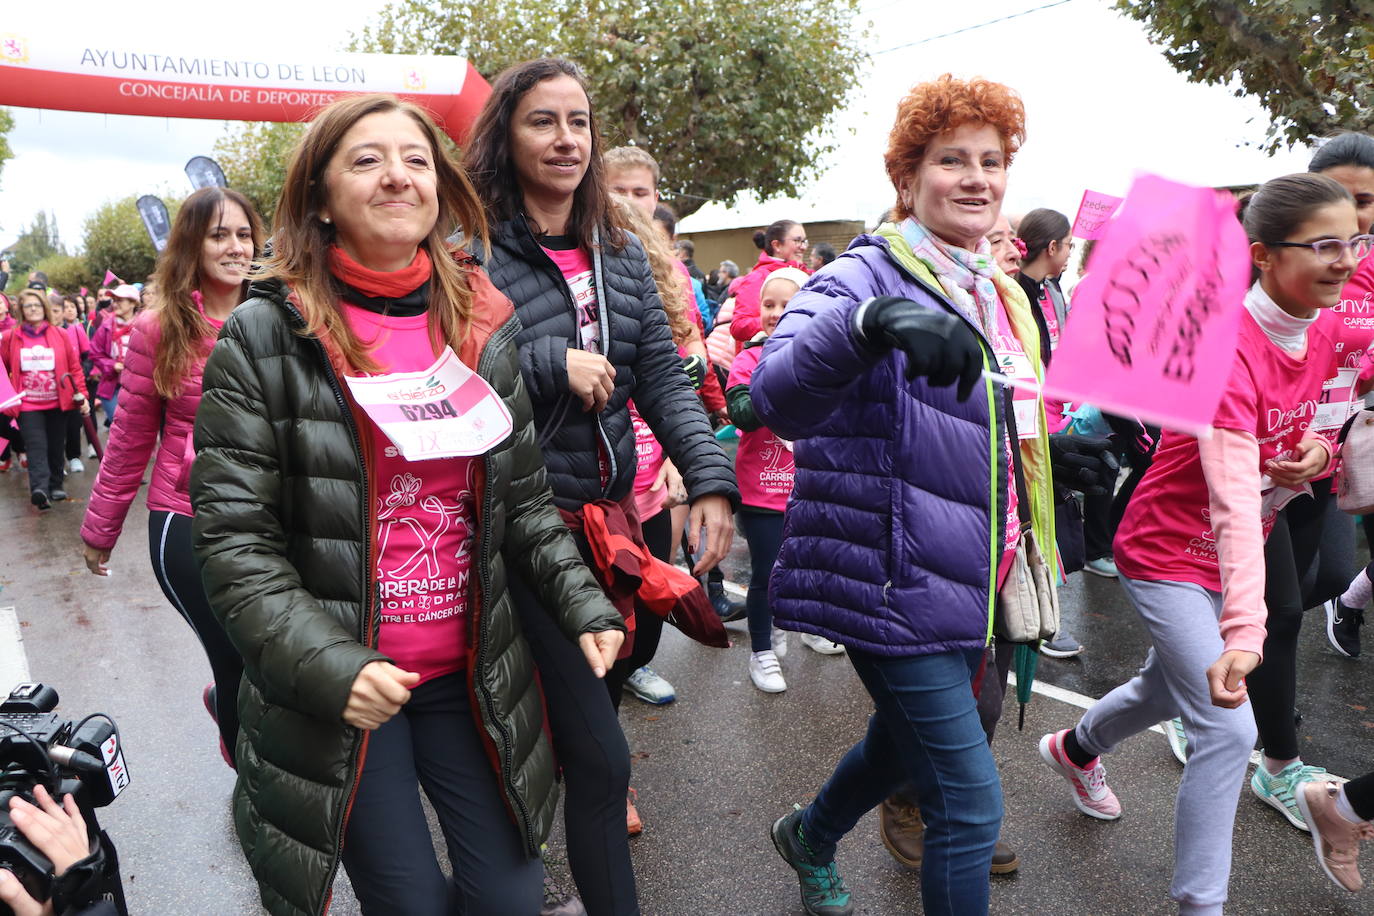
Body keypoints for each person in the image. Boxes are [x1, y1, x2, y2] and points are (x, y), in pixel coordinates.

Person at [191, 93, 626, 916]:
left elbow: (525, 505)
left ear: (440, 189)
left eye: (417, 160)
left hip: (471, 675)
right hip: (348, 690)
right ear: (318, 199)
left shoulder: (480, 322)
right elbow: (236, 546)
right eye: (366, 159)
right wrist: (335, 668)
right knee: (413, 905)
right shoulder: (262, 335)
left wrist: (585, 605)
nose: (398, 175)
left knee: (509, 897)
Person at [752, 74, 1053, 916]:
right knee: (967, 800)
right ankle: (811, 837)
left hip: (974, 572)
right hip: (891, 574)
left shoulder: (997, 293)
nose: (976, 178)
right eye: (950, 159)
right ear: (907, 179)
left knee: (896, 747)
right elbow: (775, 394)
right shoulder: (864, 273)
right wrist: (866, 326)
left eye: (991, 161)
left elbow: (1011, 426)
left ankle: (808, 836)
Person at [1039, 173, 1364, 916]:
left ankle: (1075, 749)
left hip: (1235, 546)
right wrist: (1246, 633)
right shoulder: (1226, 354)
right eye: (1324, 245)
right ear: (1264, 254)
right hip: (1168, 551)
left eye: (1354, 241)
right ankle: (1200, 906)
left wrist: (1315, 454)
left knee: (1167, 687)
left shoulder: (1310, 328)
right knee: (1226, 725)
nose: (1345, 259)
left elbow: (1312, 424)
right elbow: (1228, 502)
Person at [461, 57, 737, 912]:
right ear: (505, 134)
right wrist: (545, 362)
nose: (566, 139)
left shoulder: (617, 245)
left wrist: (710, 475)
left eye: (579, 122)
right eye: (543, 121)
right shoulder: (466, 244)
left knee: (595, 704)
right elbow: (440, 368)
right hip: (522, 529)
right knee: (601, 755)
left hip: (612, 518)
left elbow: (659, 373)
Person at [80, 186, 263, 769]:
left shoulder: (284, 315)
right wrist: (99, 529)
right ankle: (254, 789)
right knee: (237, 658)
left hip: (271, 516)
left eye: (243, 234)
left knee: (273, 656)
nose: (235, 247)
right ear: (191, 243)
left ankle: (230, 711)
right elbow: (130, 439)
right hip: (188, 522)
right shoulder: (158, 329)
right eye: (219, 235)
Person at [726, 267, 835, 694]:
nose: (775, 312)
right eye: (768, 305)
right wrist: (785, 381)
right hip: (761, 491)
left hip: (810, 487)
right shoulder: (749, 358)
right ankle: (762, 650)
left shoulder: (825, 356)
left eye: (786, 304)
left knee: (812, 565)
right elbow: (741, 412)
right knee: (768, 572)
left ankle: (806, 625)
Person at [2, 288, 90, 510]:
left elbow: (74, 368)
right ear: (21, 311)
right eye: (28, 306)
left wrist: (84, 396)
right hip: (28, 404)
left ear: (45, 308)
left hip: (58, 402)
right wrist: (7, 395)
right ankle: (39, 489)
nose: (33, 309)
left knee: (54, 445)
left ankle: (56, 485)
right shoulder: (12, 337)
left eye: (37, 305)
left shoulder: (59, 334)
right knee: (36, 445)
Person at [729, 218, 810, 344]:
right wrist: (777, 320)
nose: (803, 247)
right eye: (797, 241)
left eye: (804, 241)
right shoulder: (757, 278)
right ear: (776, 245)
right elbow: (739, 326)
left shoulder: (808, 275)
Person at [88, 286, 137, 426]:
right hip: (112, 386)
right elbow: (95, 353)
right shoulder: (106, 326)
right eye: (114, 300)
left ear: (133, 303)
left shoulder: (144, 325)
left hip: (139, 388)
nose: (115, 304)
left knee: (137, 431)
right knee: (120, 427)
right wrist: (112, 365)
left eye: (120, 300)